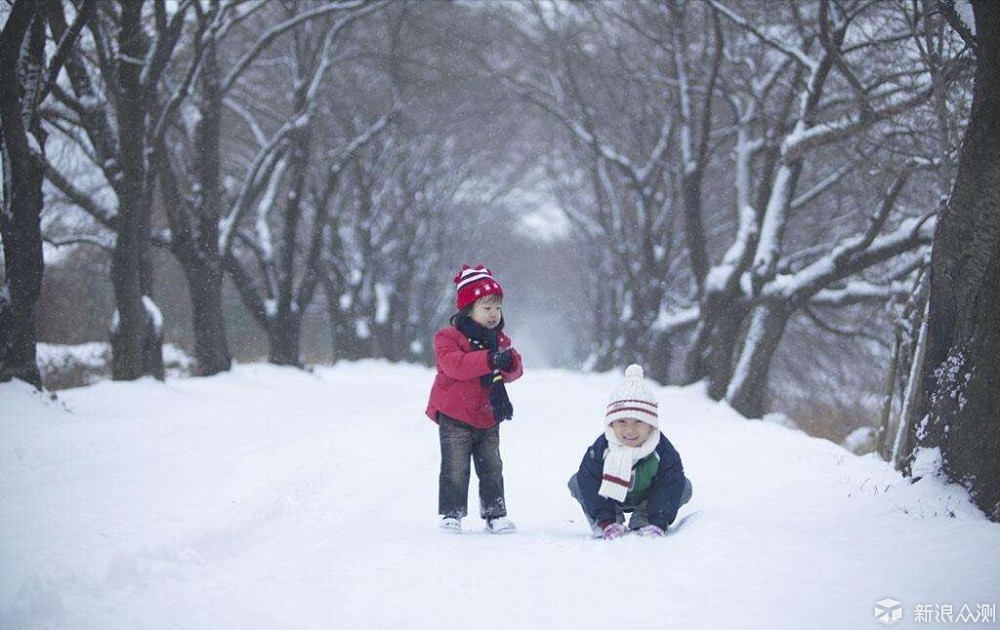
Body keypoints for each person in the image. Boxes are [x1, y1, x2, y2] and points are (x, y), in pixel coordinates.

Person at [425, 264, 524, 535]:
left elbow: (514, 372)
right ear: (468, 309)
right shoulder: (448, 337)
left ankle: (495, 513)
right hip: (455, 415)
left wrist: (508, 361)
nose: (494, 314)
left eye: (497, 308)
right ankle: (451, 514)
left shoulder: (499, 339)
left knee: (492, 466)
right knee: (455, 468)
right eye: (487, 308)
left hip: (488, 415)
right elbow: (455, 365)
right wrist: (489, 359)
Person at [568, 364, 692, 539]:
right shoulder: (602, 448)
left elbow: (669, 486)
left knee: (683, 485)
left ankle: (645, 518)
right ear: (611, 424)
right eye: (622, 422)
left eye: (638, 422)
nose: (630, 430)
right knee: (578, 481)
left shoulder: (662, 450)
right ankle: (609, 522)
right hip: (611, 498)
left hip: (647, 498)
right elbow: (590, 482)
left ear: (650, 425)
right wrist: (606, 520)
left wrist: (658, 521)